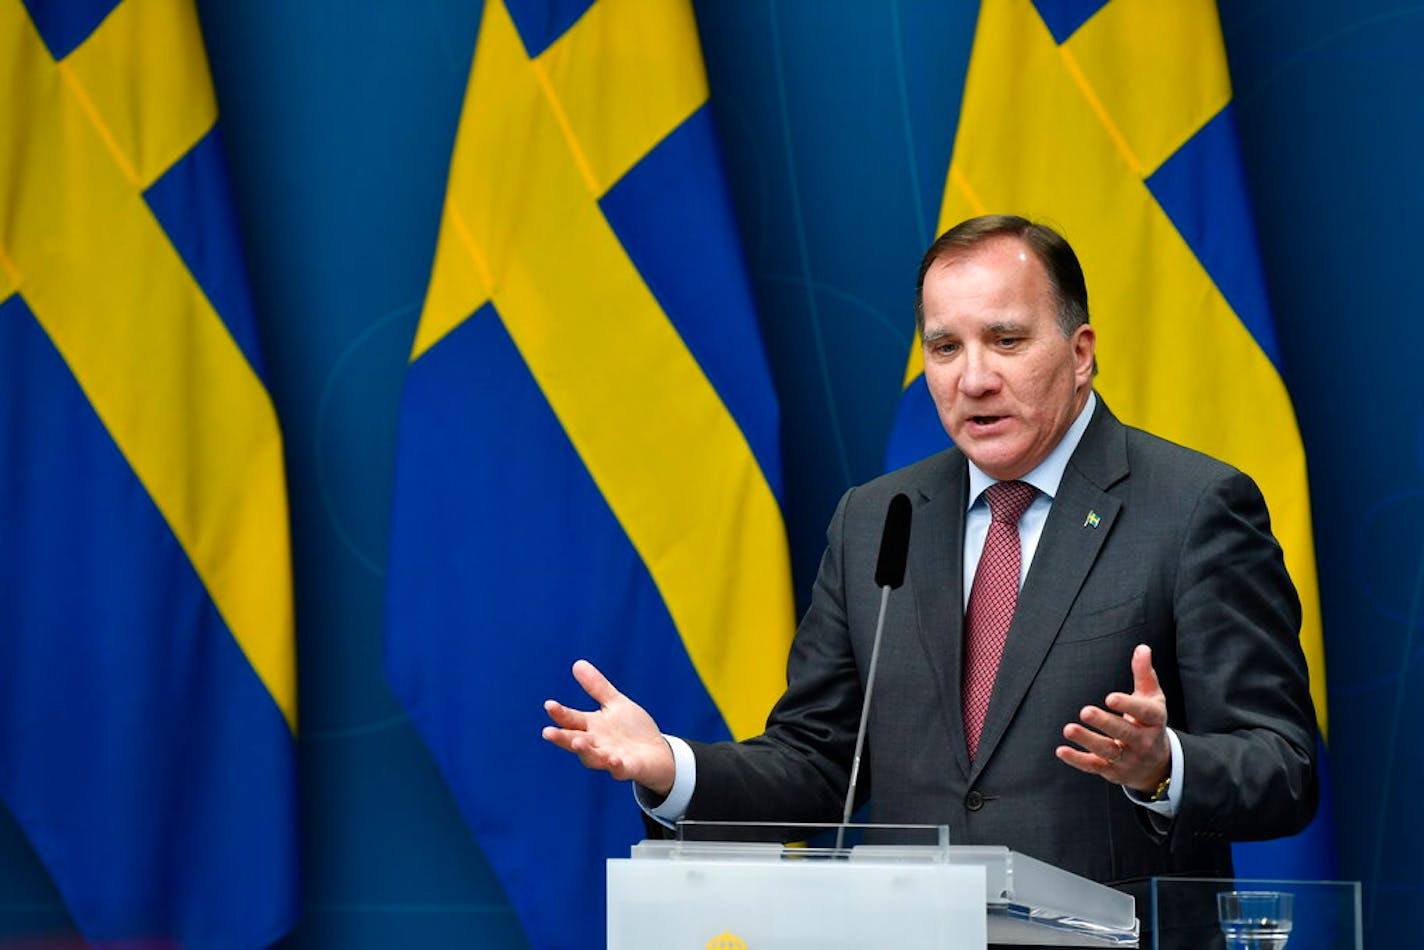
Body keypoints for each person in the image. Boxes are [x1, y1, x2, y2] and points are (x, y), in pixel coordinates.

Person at [543, 215, 1318, 900]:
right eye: (945, 347)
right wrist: (671, 768)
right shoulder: (876, 520)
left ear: (1080, 353)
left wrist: (1162, 765)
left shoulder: (1193, 508)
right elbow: (821, 766)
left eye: (1006, 340)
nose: (973, 377)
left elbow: (1283, 769)